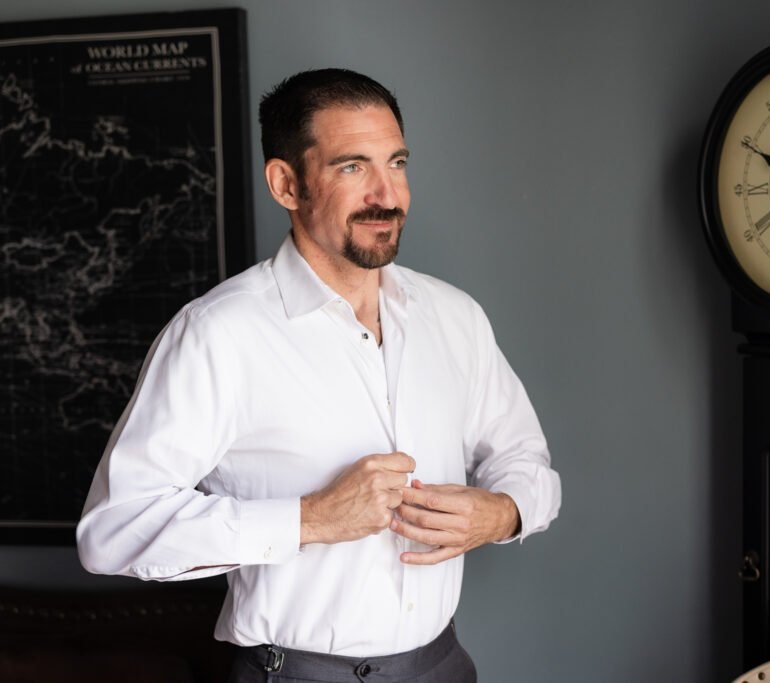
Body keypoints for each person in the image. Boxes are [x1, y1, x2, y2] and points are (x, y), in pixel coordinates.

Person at [76, 68, 561, 683]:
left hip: (444, 666)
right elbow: (112, 532)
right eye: (352, 167)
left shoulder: (455, 316)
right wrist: (311, 519)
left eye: (398, 162)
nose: (388, 194)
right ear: (286, 184)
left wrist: (503, 513)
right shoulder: (217, 334)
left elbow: (527, 460)